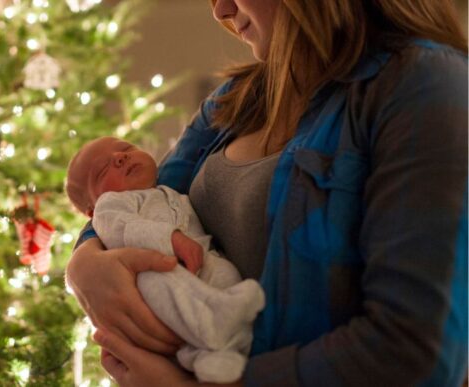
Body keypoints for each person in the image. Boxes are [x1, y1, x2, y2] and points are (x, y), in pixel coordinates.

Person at [64, 0, 468, 386]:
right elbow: (147, 194)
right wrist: (84, 262)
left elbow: (415, 351)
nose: (220, 10)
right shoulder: (234, 100)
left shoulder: (423, 84)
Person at [66, 136, 265, 383]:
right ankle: (210, 331)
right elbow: (120, 227)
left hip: (203, 264)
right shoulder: (111, 205)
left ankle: (214, 352)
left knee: (225, 273)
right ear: (91, 211)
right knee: (159, 286)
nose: (120, 157)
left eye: (127, 148)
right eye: (103, 169)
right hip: (157, 271)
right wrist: (170, 238)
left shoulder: (170, 190)